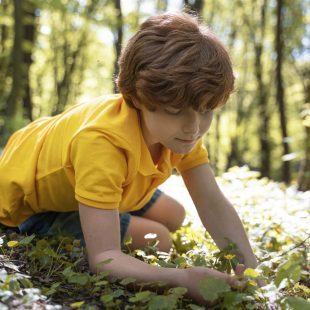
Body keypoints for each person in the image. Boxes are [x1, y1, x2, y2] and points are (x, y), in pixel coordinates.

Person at [0, 12, 258, 303]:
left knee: (175, 214)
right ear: (136, 98)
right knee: (160, 238)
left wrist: (250, 267)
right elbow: (105, 260)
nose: (194, 127)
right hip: (28, 204)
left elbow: (211, 201)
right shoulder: (102, 143)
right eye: (175, 111)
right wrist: (182, 279)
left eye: (206, 110)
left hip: (71, 164)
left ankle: (106, 208)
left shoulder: (181, 133)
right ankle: (95, 212)